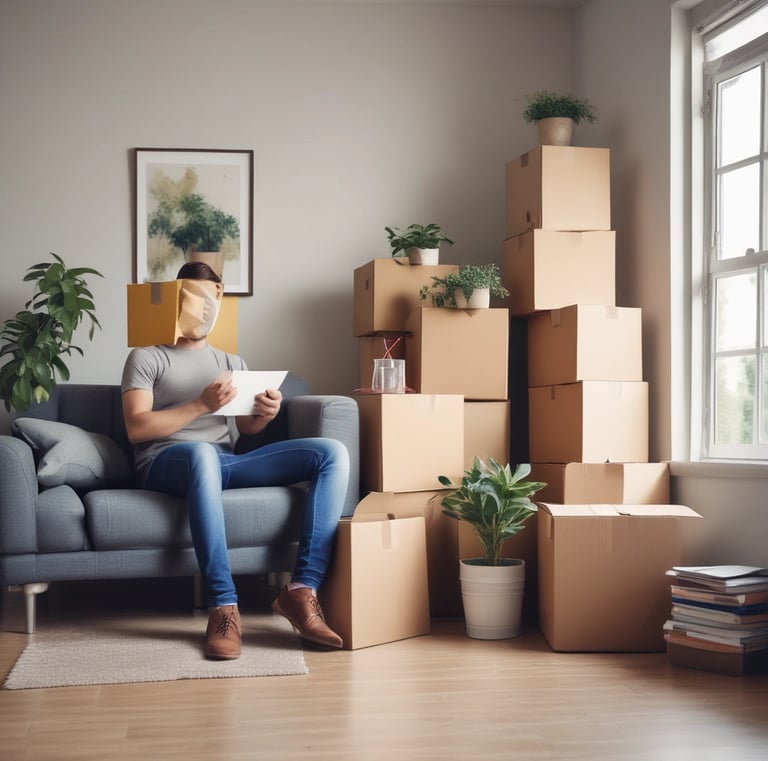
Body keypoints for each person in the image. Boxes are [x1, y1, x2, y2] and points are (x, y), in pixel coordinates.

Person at [121, 262, 349, 659]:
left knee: (330, 453)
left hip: (222, 463)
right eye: (195, 297)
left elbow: (247, 430)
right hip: (166, 463)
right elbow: (137, 429)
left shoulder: (232, 362)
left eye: (213, 298)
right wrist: (200, 405)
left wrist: (265, 412)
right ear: (177, 299)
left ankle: (300, 591)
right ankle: (223, 606)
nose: (205, 307)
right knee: (200, 454)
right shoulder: (146, 356)